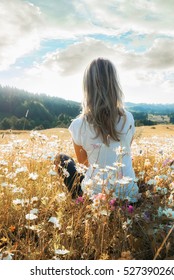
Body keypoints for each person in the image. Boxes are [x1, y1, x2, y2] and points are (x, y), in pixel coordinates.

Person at [55, 58, 140, 203]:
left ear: (87, 87)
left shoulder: (78, 125)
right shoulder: (128, 118)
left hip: (95, 198)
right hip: (129, 195)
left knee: (60, 159)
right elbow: (124, 152)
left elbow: (84, 166)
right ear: (115, 85)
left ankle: (80, 199)